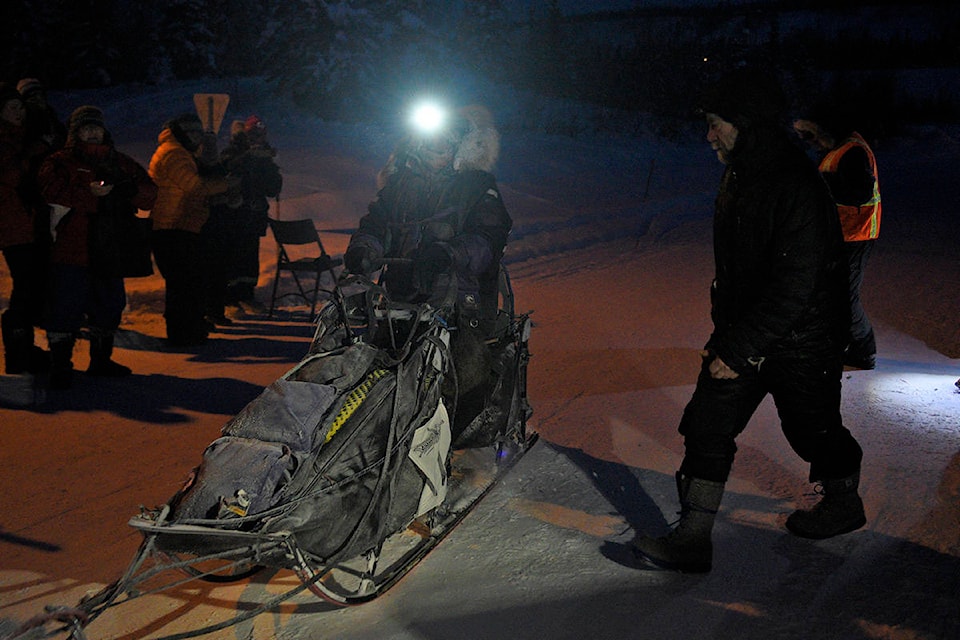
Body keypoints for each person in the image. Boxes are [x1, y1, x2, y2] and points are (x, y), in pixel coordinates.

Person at [625, 70, 865, 573]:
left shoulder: (794, 183)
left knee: (811, 432)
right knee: (707, 422)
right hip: (744, 332)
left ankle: (843, 501)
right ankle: (692, 539)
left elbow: (796, 284)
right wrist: (725, 337)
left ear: (749, 125)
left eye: (717, 124)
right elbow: (738, 270)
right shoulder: (740, 173)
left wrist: (738, 348)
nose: (709, 135)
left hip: (803, 340)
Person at [343, 103, 511, 441]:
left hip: (460, 303)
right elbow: (377, 222)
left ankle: (456, 444)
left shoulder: (478, 187)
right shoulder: (401, 183)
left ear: (461, 143)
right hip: (399, 300)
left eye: (447, 139)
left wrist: (449, 253)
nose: (438, 145)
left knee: (462, 373)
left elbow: (488, 238)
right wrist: (365, 248)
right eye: (431, 138)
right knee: (366, 367)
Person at [37, 105, 157, 389]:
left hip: (110, 250)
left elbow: (150, 195)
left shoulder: (120, 161)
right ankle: (61, 366)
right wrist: (89, 196)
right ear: (75, 132)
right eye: (85, 128)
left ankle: (101, 359)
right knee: (65, 307)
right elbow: (47, 191)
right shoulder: (59, 161)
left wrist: (129, 190)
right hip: (71, 248)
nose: (92, 132)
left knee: (109, 304)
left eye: (96, 127)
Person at [793, 112, 881, 370]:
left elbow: (860, 192)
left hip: (856, 234)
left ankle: (865, 350)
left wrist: (822, 185)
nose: (810, 142)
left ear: (824, 130)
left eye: (811, 135)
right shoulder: (840, 148)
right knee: (833, 294)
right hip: (842, 234)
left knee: (845, 297)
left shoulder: (852, 151)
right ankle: (844, 344)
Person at [148, 113, 235, 346]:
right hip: (173, 227)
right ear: (180, 132)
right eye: (191, 133)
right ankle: (182, 333)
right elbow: (194, 187)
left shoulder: (180, 152)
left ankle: (189, 327)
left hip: (180, 226)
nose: (196, 137)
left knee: (186, 282)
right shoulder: (175, 154)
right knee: (182, 284)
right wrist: (227, 185)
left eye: (199, 133)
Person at [0, 84, 49, 375]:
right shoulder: (6, 140)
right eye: (11, 108)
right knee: (25, 287)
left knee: (31, 287)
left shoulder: (19, 136)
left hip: (26, 223)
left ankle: (24, 349)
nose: (18, 113)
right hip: (12, 225)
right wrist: (33, 152)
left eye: (20, 108)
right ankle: (17, 354)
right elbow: (11, 175)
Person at [219, 115, 282, 312]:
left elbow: (272, 188)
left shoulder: (263, 157)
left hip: (254, 215)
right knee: (232, 257)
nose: (257, 139)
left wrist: (268, 166)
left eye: (260, 134)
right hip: (234, 214)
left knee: (249, 257)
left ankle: (247, 294)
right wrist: (249, 158)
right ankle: (230, 298)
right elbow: (227, 170)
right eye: (253, 134)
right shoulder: (234, 152)